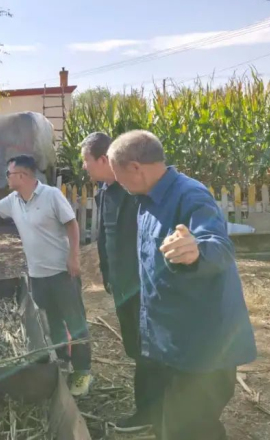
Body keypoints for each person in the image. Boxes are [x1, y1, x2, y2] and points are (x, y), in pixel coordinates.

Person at [107, 130, 257, 440]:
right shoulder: (146, 199)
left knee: (191, 429)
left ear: (135, 167)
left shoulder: (191, 196)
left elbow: (219, 246)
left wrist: (196, 250)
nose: (118, 183)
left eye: (118, 176)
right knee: (172, 425)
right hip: (171, 341)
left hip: (202, 347)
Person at [0, 154, 93, 396]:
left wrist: (74, 256)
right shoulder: (14, 200)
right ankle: (62, 361)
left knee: (75, 321)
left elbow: (72, 224)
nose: (6, 178)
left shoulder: (51, 195)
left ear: (22, 176)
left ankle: (83, 371)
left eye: (9, 174)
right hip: (37, 274)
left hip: (62, 272)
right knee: (49, 320)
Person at [81, 132, 157, 433]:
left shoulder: (135, 192)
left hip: (143, 287)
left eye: (86, 160)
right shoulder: (105, 191)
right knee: (136, 349)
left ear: (103, 159)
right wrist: (107, 274)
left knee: (148, 350)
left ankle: (150, 412)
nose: (84, 167)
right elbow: (105, 237)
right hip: (122, 285)